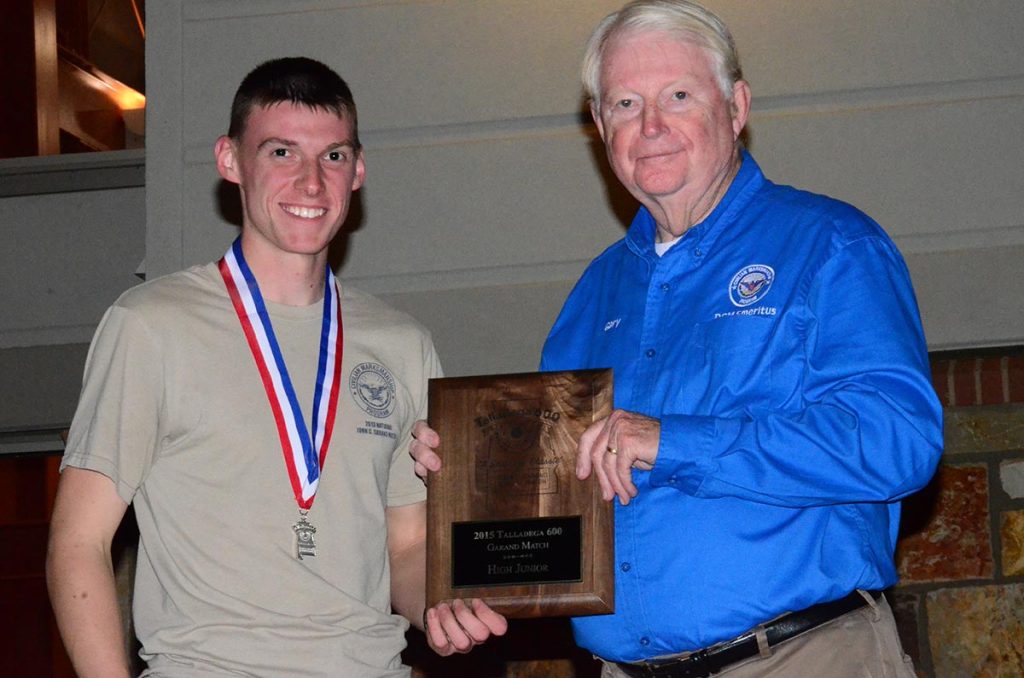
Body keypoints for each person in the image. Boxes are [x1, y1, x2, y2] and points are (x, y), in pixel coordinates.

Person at [411, 1, 943, 675]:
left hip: (800, 656)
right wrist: (471, 477)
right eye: (626, 104)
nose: (651, 125)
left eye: (678, 96)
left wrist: (671, 440)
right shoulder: (592, 295)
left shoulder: (830, 245)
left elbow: (899, 442)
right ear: (601, 126)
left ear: (737, 106)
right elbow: (564, 497)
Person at [46, 57, 505, 678]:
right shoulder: (152, 326)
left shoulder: (400, 343)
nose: (312, 183)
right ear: (230, 160)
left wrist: (441, 609)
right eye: (282, 152)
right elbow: (78, 543)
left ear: (359, 169)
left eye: (334, 156)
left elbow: (407, 544)